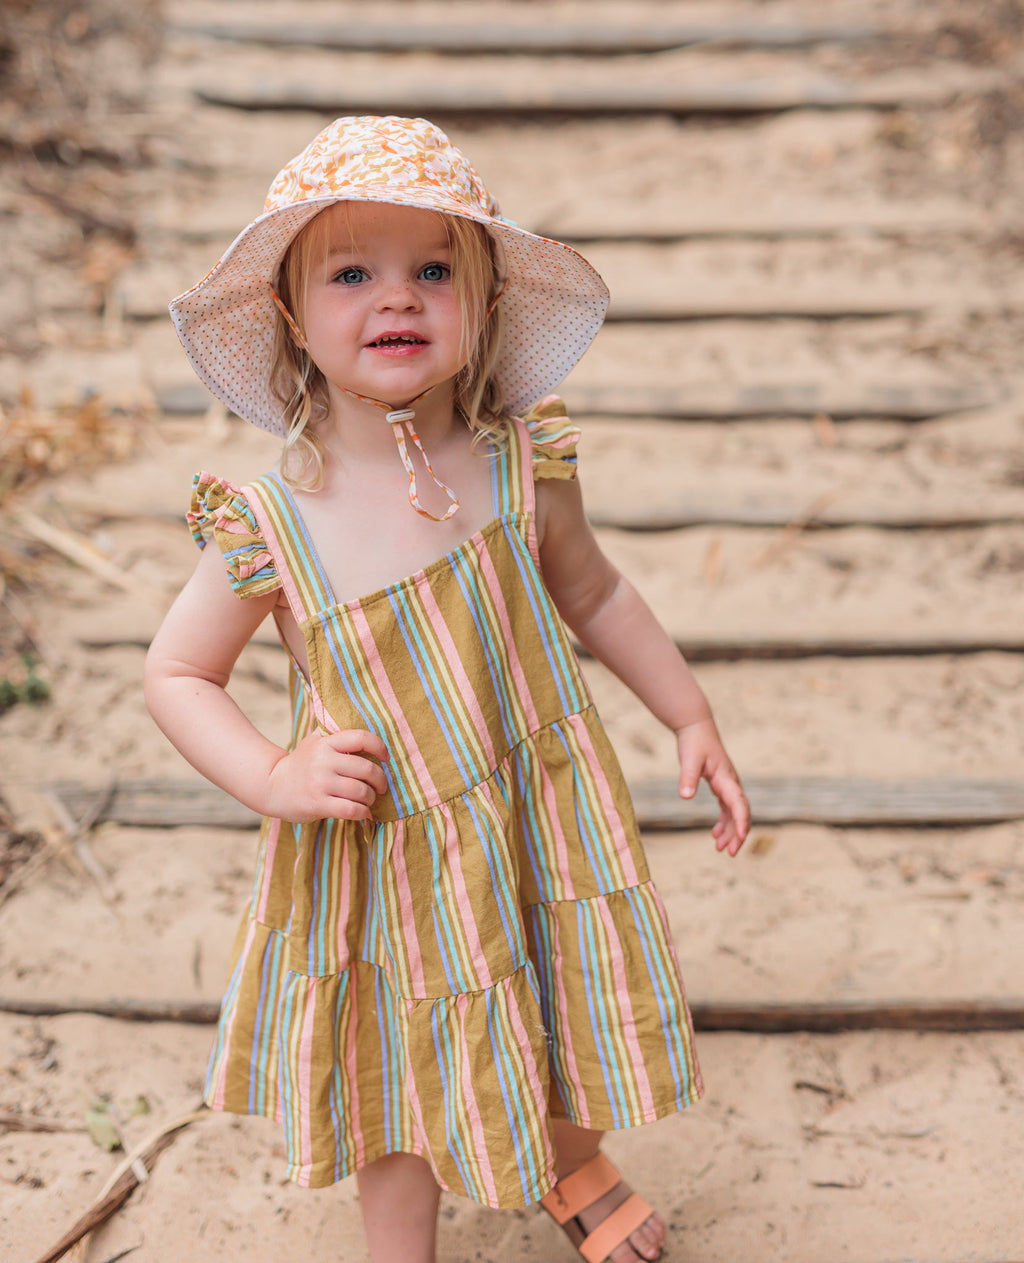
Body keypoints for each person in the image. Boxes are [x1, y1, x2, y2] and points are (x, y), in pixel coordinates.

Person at [145, 115, 749, 1263]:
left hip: (530, 810)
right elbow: (178, 673)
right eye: (353, 273)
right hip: (388, 855)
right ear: (290, 313)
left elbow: (597, 595)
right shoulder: (272, 522)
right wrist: (273, 773)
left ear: (480, 304)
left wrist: (688, 711)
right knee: (399, 1054)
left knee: (550, 986)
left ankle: (571, 1161)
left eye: (433, 271)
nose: (398, 299)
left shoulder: (521, 460)